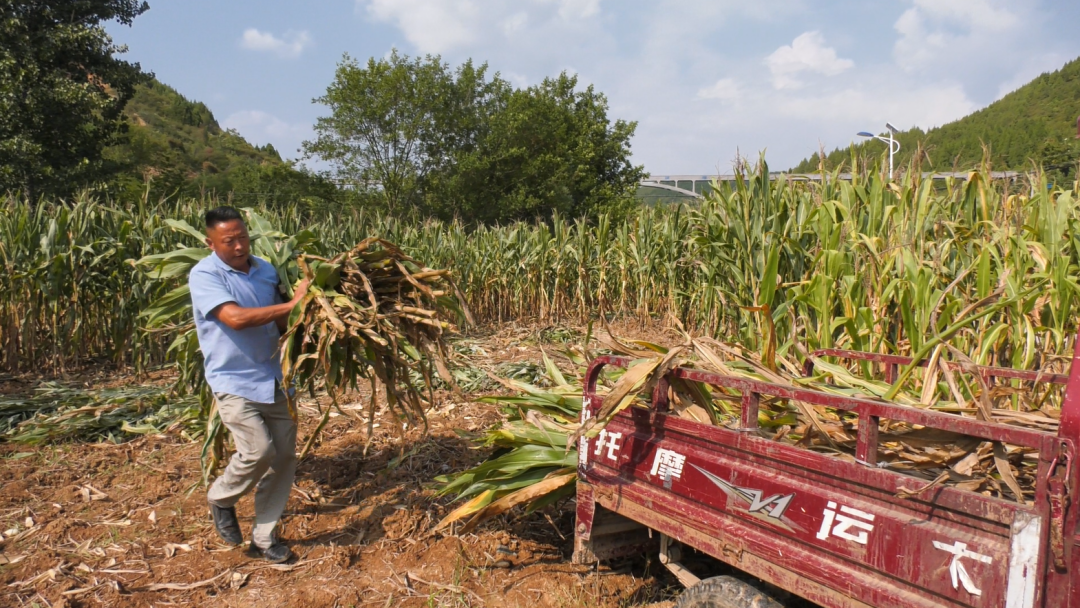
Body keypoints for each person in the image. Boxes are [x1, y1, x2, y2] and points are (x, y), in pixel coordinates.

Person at [188, 206, 309, 563]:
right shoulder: (205, 274)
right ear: (211, 243)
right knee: (258, 450)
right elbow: (235, 318)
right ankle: (222, 497)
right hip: (233, 379)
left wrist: (311, 308)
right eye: (229, 241)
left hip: (275, 376)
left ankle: (264, 538)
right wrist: (294, 303)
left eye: (243, 237)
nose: (239, 246)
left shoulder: (266, 270)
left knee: (284, 458)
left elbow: (284, 319)